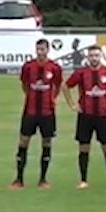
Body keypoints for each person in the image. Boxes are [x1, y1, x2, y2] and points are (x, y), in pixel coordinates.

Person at [65, 44, 106, 190]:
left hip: (103, 116)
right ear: (88, 57)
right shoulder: (81, 73)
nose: (94, 58)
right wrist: (72, 104)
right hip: (85, 116)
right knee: (84, 147)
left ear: (100, 56)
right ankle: (83, 180)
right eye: (91, 56)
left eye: (96, 55)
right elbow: (66, 86)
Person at [12, 37, 64, 189]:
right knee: (23, 142)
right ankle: (19, 179)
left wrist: (52, 99)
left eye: (43, 49)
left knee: (46, 142)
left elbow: (57, 85)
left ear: (48, 50)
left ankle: (43, 179)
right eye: (38, 49)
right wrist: (30, 96)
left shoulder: (54, 67)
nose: (40, 52)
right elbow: (24, 85)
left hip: (47, 112)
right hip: (30, 111)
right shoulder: (28, 66)